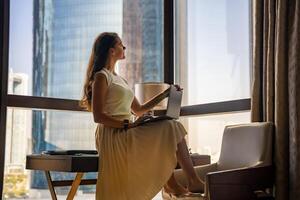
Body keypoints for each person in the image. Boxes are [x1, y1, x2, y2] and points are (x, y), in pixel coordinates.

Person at [80, 32, 204, 200]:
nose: (124, 48)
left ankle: (178, 184)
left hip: (127, 129)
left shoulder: (120, 79)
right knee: (170, 127)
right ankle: (184, 183)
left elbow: (139, 110)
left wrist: (165, 94)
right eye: (121, 45)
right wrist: (127, 125)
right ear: (111, 50)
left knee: (171, 127)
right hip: (113, 134)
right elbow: (99, 117)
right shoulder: (101, 76)